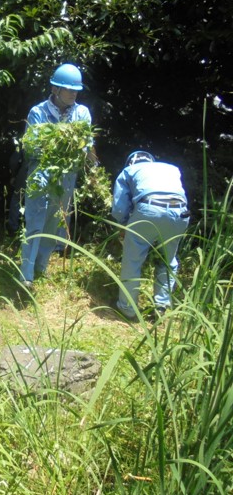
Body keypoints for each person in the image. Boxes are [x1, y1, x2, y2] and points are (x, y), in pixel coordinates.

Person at [19, 63, 97, 288]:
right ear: (55, 89)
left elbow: (86, 144)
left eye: (76, 90)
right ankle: (26, 275)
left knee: (54, 225)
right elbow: (32, 147)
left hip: (66, 178)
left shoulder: (82, 113)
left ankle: (40, 267)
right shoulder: (38, 112)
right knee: (34, 222)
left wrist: (93, 166)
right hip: (41, 175)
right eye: (68, 89)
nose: (74, 93)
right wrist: (62, 140)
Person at [112, 150, 190, 319]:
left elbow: (119, 208)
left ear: (130, 163)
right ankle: (161, 306)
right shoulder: (172, 168)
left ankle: (127, 308)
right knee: (168, 261)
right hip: (180, 213)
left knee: (132, 261)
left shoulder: (129, 171)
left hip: (149, 209)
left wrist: (124, 225)